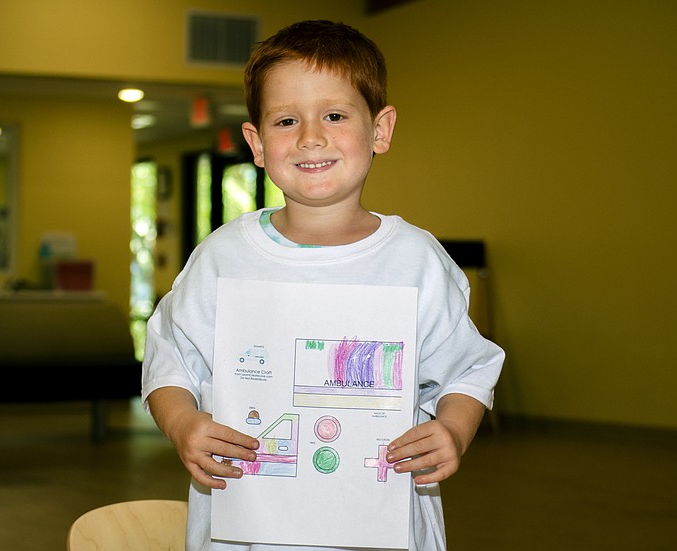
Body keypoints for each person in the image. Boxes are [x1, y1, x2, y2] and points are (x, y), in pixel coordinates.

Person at [142, 19, 504, 551]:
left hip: (384, 530)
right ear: (257, 143)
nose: (311, 136)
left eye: (335, 115)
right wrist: (181, 424)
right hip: (244, 531)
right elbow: (169, 356)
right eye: (286, 120)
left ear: (380, 129)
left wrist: (452, 429)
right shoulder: (223, 257)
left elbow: (467, 369)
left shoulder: (416, 261)